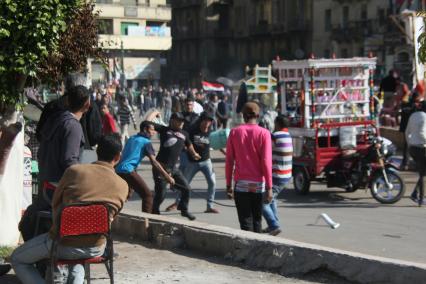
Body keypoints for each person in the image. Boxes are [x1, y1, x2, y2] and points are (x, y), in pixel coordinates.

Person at [11, 134, 129, 284]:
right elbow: (110, 217)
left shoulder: (75, 172)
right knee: (78, 259)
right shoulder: (123, 186)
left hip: (62, 243)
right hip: (96, 247)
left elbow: (55, 203)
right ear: (118, 156)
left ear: (97, 151)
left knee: (17, 259)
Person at [225, 102, 273, 232]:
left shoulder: (234, 132)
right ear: (258, 115)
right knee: (257, 221)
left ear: (243, 115)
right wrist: (269, 187)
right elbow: (266, 162)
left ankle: (248, 249)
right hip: (258, 185)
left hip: (241, 185)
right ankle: (257, 249)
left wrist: (228, 185)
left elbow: (229, 161)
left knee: (245, 222)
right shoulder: (265, 133)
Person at [149, 112, 201, 220]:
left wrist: (194, 153)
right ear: (172, 120)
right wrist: (155, 112)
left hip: (173, 169)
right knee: (161, 194)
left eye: (183, 121)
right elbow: (147, 123)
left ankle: (184, 209)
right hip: (160, 168)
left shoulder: (184, 134)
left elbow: (189, 144)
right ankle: (154, 211)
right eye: (179, 121)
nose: (182, 123)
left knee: (186, 188)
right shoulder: (164, 130)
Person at [116, 121, 175, 213]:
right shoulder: (146, 142)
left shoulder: (132, 138)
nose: (154, 132)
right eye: (152, 130)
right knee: (147, 196)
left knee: (125, 195)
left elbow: (126, 156)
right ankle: (145, 222)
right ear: (145, 129)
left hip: (119, 170)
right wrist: (167, 176)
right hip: (128, 170)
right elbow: (154, 162)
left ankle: (114, 214)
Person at [168, 112, 220, 213]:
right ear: (201, 120)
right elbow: (184, 143)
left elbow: (215, 143)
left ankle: (209, 206)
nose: (207, 124)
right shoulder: (192, 131)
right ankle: (177, 202)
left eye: (209, 121)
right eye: (205, 121)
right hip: (192, 163)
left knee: (212, 182)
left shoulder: (210, 131)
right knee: (184, 184)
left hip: (206, 161)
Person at [165, 98, 200, 212]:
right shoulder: (181, 116)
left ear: (193, 105)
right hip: (183, 150)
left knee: (184, 177)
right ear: (185, 105)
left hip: (193, 148)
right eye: (187, 104)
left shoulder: (196, 117)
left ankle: (177, 198)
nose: (189, 106)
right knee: (183, 175)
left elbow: (198, 132)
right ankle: (177, 200)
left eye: (191, 104)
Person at [262, 115, 293, 236]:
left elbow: (265, 150)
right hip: (286, 175)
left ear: (278, 124)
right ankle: (273, 224)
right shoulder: (288, 135)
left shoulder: (276, 136)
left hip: (278, 175)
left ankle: (274, 225)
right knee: (272, 199)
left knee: (263, 202)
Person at [405, 101, 426, 206]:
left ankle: (415, 194)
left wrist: (410, 144)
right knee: (422, 174)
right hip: (421, 147)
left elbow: (407, 132)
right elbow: (422, 132)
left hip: (413, 147)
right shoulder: (425, 117)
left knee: (423, 173)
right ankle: (421, 199)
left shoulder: (413, 115)